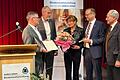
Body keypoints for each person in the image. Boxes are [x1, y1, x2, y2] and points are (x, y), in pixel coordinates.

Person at [83, 8, 106, 80]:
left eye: (87, 15)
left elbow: (102, 39)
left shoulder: (100, 24)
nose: (85, 16)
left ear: (93, 14)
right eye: (85, 15)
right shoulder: (85, 24)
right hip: (86, 51)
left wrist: (91, 41)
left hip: (95, 52)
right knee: (88, 73)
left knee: (97, 73)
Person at [22, 11, 47, 76]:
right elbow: (28, 47)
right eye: (37, 18)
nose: (39, 19)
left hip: (39, 59)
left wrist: (45, 44)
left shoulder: (36, 29)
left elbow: (38, 42)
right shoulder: (27, 30)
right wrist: (40, 49)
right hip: (34, 61)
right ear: (32, 19)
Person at [37, 6, 57, 80]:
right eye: (48, 13)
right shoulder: (37, 22)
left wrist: (56, 49)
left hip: (50, 49)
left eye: (50, 13)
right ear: (43, 12)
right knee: (40, 69)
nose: (50, 15)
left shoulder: (52, 22)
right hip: (41, 49)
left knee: (49, 69)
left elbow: (54, 35)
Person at [63, 15, 84, 80]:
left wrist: (79, 47)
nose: (69, 23)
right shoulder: (65, 30)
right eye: (68, 22)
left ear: (75, 22)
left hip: (76, 53)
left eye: (70, 21)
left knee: (76, 71)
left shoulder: (81, 30)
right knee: (68, 72)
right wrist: (63, 49)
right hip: (67, 53)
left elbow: (83, 42)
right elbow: (62, 42)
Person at [105, 9, 120, 80]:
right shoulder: (109, 28)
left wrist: (119, 60)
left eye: (108, 17)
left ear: (114, 18)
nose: (106, 19)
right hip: (109, 59)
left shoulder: (119, 28)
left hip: (116, 60)